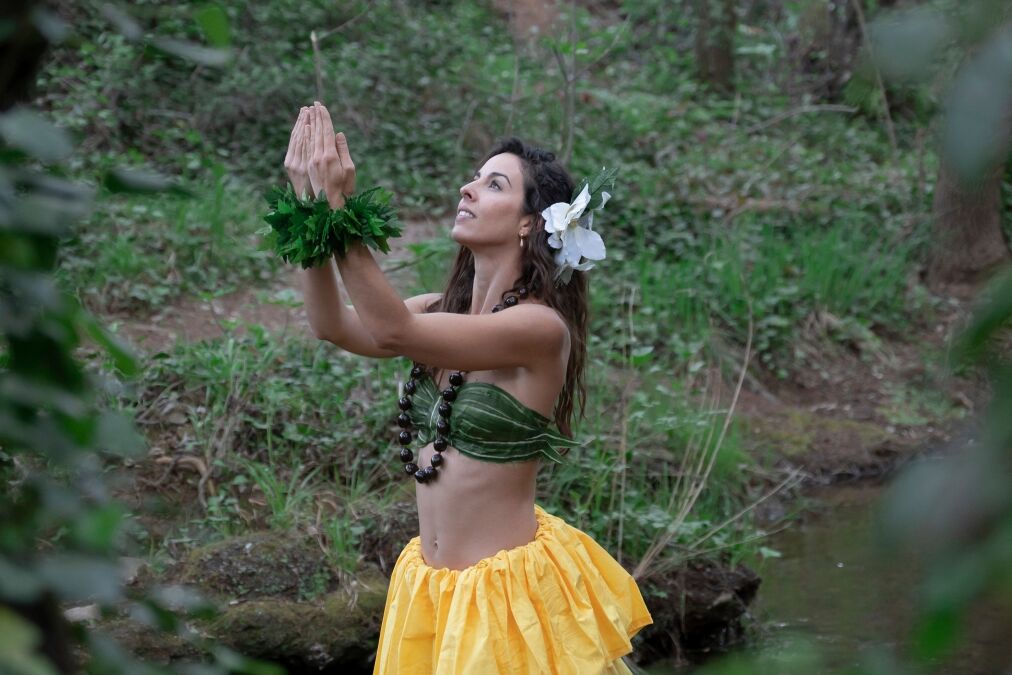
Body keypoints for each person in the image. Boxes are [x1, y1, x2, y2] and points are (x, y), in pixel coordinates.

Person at [283, 101, 652, 674]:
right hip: (432, 592)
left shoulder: (538, 329)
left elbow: (391, 329)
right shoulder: (439, 310)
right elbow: (335, 327)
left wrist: (339, 204)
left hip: (506, 603)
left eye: (493, 183)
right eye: (474, 177)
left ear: (531, 221)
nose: (468, 188)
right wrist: (310, 205)